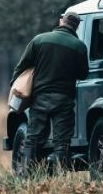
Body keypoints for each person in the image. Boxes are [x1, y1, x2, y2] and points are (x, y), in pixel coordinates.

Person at [10, 12, 89, 175]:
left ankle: (27, 176)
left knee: (33, 138)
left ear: (61, 21)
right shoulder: (79, 46)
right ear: (77, 26)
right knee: (62, 140)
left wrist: (15, 87)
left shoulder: (39, 39)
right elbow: (83, 74)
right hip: (64, 99)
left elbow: (21, 66)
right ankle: (60, 176)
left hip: (39, 98)